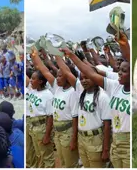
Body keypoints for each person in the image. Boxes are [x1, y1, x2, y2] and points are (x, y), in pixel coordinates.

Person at [60, 31, 130, 168]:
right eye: (119, 70)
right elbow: (90, 72)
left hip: (127, 142)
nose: (119, 73)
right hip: (116, 142)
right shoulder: (115, 86)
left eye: (124, 71)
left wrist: (123, 43)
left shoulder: (108, 94)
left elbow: (106, 124)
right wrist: (72, 55)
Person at [55, 57, 112, 168]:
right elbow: (66, 71)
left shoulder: (103, 97)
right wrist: (56, 53)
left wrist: (105, 149)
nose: (84, 81)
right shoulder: (81, 91)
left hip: (96, 139)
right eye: (81, 78)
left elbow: (107, 126)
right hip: (82, 139)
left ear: (95, 78)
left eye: (87, 78)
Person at [31, 48, 79, 168]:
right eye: (56, 76)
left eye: (60, 76)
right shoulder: (57, 88)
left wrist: (73, 140)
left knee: (70, 165)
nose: (57, 78)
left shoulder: (73, 92)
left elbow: (75, 119)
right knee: (62, 163)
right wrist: (35, 54)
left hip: (68, 132)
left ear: (68, 77)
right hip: (58, 132)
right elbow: (44, 69)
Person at [26, 71, 55, 168]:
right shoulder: (33, 90)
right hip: (32, 127)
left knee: (47, 157)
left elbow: (50, 117)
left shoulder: (48, 95)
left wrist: (47, 135)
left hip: (42, 128)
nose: (30, 81)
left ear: (40, 81)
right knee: (39, 155)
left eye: (33, 79)